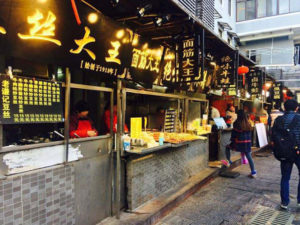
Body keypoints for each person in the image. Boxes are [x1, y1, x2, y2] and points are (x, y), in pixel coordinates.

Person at [272, 99, 300, 210]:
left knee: (285, 177)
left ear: (284, 108)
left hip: (284, 152)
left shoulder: (278, 120)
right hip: (298, 152)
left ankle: (284, 202)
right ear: (296, 108)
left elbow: (273, 136)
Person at [224, 110, 257, 178]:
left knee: (227, 147)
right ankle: (253, 172)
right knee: (248, 155)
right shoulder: (248, 123)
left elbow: (234, 134)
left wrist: (232, 141)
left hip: (239, 143)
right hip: (247, 143)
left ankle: (229, 162)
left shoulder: (236, 123)